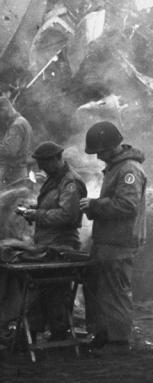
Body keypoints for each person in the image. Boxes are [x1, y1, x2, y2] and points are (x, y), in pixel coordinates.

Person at [79, 121, 147, 348]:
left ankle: (119, 341)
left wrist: (95, 205)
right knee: (105, 290)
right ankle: (106, 335)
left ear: (112, 146)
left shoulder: (128, 170)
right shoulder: (116, 167)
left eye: (100, 151)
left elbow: (127, 205)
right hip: (110, 239)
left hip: (120, 240)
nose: (99, 157)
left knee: (116, 291)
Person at [20, 142, 87, 341]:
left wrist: (36, 214)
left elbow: (66, 215)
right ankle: (34, 331)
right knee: (41, 288)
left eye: (44, 164)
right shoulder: (55, 179)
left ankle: (57, 331)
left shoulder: (70, 182)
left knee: (54, 290)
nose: (41, 169)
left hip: (62, 246)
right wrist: (33, 208)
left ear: (57, 159)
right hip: (47, 244)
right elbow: (53, 206)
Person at [0, 97, 33, 185]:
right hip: (17, 173)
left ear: (4, 109)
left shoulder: (17, 125)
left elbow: (9, 151)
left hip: (14, 176)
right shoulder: (21, 122)